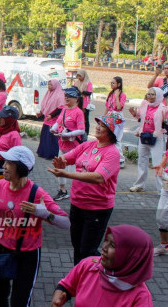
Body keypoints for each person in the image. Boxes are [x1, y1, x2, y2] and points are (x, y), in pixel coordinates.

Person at [0, 145, 70, 307]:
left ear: (20, 167)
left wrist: (44, 214)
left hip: (27, 255)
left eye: (8, 163)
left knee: (19, 302)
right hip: (1, 249)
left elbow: (67, 223)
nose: (3, 166)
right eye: (4, 162)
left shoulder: (37, 194)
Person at [48, 112, 123, 265]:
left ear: (112, 132)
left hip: (97, 208)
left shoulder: (113, 153)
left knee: (87, 250)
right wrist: (60, 162)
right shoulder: (88, 145)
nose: (98, 128)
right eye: (99, 124)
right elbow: (68, 157)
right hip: (77, 204)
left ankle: (96, 277)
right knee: (77, 246)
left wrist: (67, 174)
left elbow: (98, 177)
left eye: (103, 126)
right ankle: (78, 278)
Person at [51, 225, 153, 307]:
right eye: (106, 240)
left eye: (112, 245)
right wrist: (59, 296)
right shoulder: (89, 266)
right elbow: (66, 286)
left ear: (132, 257)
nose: (104, 247)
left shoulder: (140, 298)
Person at [129, 87, 166, 194]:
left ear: (158, 96)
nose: (149, 96)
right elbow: (140, 118)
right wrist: (134, 113)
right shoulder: (145, 105)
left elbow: (165, 123)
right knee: (142, 161)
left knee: (157, 164)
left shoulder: (163, 108)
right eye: (148, 94)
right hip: (144, 136)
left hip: (156, 138)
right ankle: (139, 185)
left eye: (153, 94)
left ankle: (162, 190)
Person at [51, 86, 85, 201]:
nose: (66, 98)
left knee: (73, 172)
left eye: (69, 96)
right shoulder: (65, 109)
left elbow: (82, 130)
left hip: (73, 148)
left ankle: (79, 192)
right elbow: (58, 121)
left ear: (76, 99)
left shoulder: (78, 112)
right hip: (62, 145)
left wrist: (67, 135)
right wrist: (54, 128)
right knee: (60, 167)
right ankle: (63, 190)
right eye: (65, 96)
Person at [37, 79, 65, 160]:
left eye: (51, 85)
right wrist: (41, 112)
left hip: (54, 119)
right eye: (48, 85)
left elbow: (60, 108)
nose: (49, 87)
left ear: (55, 85)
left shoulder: (60, 94)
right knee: (45, 135)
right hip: (47, 118)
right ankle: (43, 152)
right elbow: (45, 105)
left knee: (51, 137)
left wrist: (52, 116)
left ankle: (51, 154)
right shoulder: (48, 93)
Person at [105, 76, 127, 168]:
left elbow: (118, 107)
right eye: (111, 83)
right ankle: (111, 157)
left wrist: (117, 96)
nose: (111, 84)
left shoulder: (122, 95)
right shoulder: (110, 94)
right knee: (108, 138)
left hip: (117, 117)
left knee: (117, 138)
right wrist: (103, 118)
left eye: (113, 83)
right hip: (109, 116)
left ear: (119, 84)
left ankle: (121, 159)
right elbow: (106, 107)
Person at [73, 69, 93, 138]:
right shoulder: (77, 82)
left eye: (80, 76)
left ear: (84, 76)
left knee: (85, 119)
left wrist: (81, 92)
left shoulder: (88, 83)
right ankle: (78, 131)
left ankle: (85, 133)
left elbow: (89, 93)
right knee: (77, 118)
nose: (79, 78)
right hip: (77, 102)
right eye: (78, 76)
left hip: (85, 104)